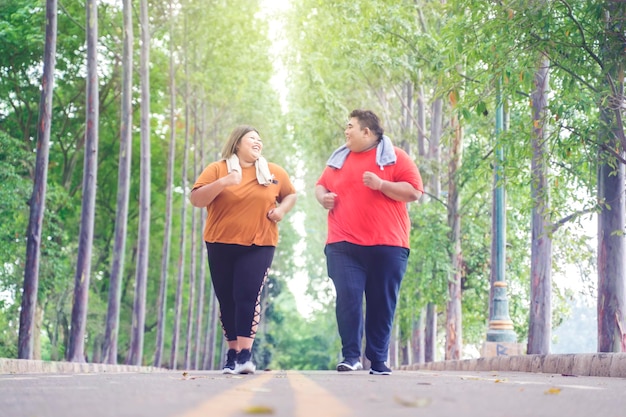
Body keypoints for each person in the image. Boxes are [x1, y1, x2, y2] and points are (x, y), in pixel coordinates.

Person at [315, 109, 423, 375]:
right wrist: (322, 198)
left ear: (367, 131)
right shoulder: (338, 160)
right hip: (343, 244)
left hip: (388, 244)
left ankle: (377, 359)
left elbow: (414, 192)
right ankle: (350, 356)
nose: (346, 131)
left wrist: (382, 184)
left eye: (350, 126)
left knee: (381, 302)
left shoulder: (396, 157)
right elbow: (321, 184)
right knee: (348, 298)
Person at [190, 125, 297, 374]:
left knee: (247, 295)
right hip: (220, 242)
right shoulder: (218, 169)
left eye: (260, 139)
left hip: (259, 243)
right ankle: (232, 352)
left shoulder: (273, 172)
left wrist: (281, 210)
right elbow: (196, 199)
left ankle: (246, 356)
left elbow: (290, 195)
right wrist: (225, 181)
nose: (258, 143)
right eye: (252, 139)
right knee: (226, 299)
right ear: (237, 143)